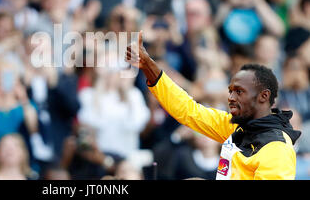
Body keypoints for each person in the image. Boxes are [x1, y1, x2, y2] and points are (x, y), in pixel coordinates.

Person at [125, 31, 302, 179]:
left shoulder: (277, 149)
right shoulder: (237, 127)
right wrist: (148, 66)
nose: (232, 98)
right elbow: (188, 110)